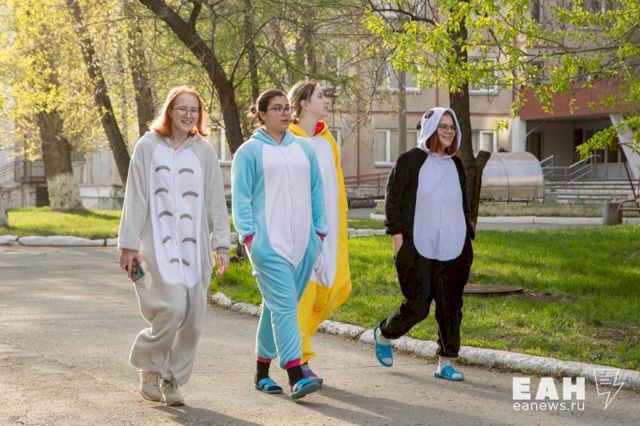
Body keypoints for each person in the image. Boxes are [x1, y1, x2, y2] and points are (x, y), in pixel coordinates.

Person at [118, 85, 231, 405]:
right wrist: (128, 244)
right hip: (154, 245)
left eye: (194, 110)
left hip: (195, 250)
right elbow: (135, 196)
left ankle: (172, 380)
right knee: (171, 308)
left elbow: (216, 200)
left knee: (193, 319)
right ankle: (148, 365)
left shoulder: (204, 151)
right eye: (182, 108)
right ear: (169, 111)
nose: (188, 115)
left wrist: (222, 245)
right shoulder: (148, 146)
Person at [231, 88, 327, 400]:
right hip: (268, 246)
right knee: (286, 307)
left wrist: (319, 234)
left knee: (276, 307)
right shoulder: (249, 152)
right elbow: (241, 198)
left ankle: (261, 373)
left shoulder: (303, 148)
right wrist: (250, 237)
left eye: (287, 107)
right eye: (277, 108)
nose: (285, 113)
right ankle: (296, 374)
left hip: (304, 245)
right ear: (261, 114)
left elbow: (317, 191)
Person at [373, 107, 474, 381]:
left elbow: (463, 203)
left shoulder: (456, 164)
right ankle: (384, 334)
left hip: (454, 246)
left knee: (450, 306)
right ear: (430, 128)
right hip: (417, 247)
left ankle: (446, 362)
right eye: (443, 126)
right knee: (418, 305)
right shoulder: (409, 161)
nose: (448, 131)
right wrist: (398, 241)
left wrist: (468, 238)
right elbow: (393, 202)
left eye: (451, 127)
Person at [287, 80, 352, 385]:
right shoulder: (288, 140)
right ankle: (299, 360)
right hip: (299, 233)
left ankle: (285, 336)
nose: (327, 100)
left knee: (334, 289)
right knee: (304, 294)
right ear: (304, 103)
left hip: (329, 232)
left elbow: (336, 187)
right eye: (321, 96)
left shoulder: (328, 141)